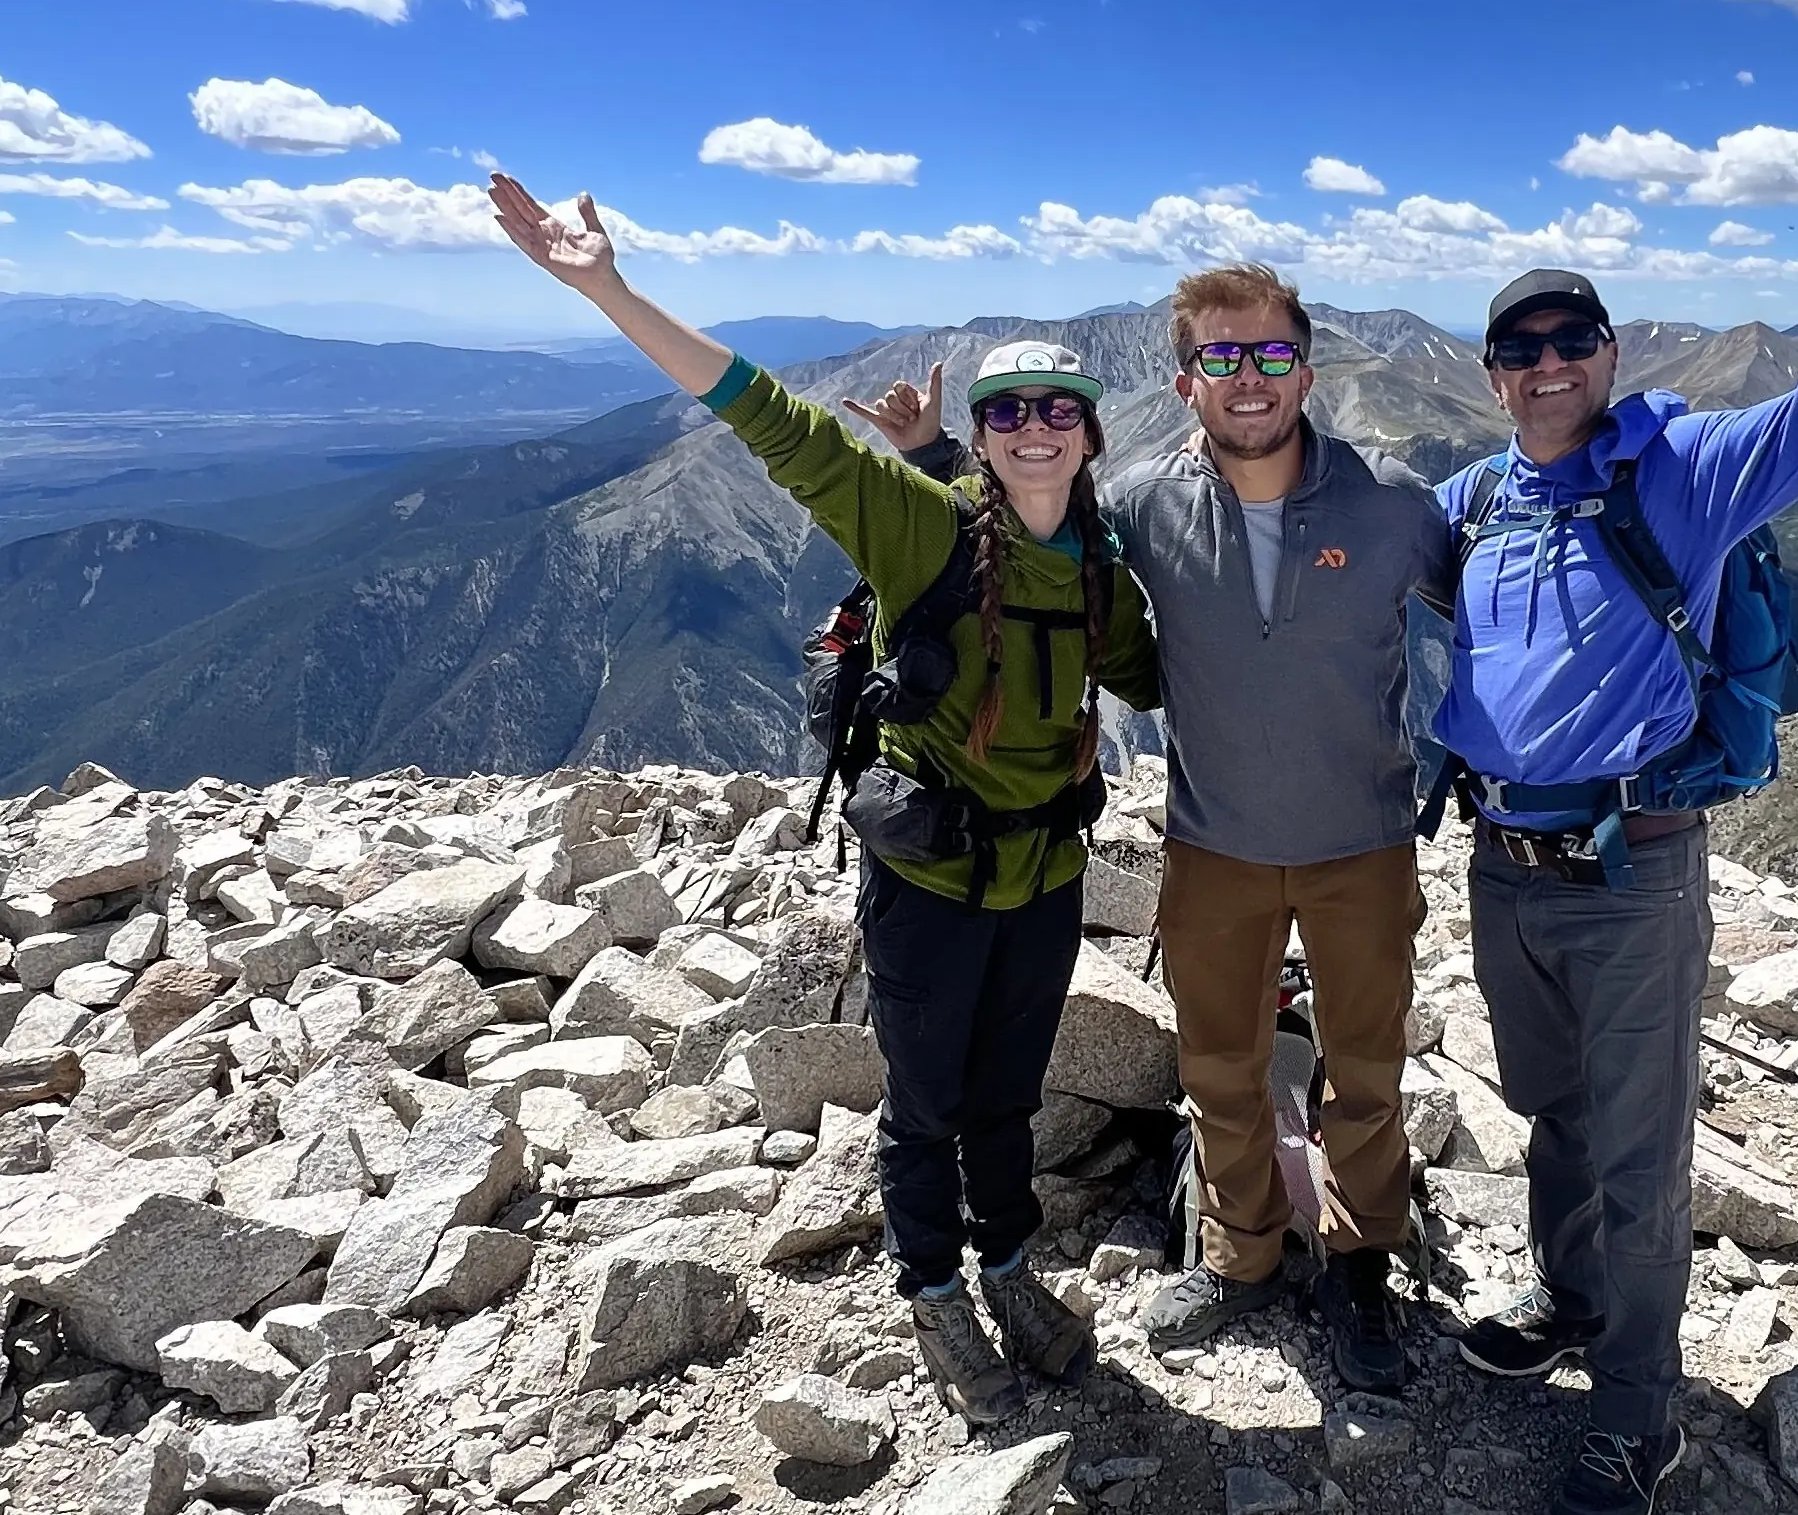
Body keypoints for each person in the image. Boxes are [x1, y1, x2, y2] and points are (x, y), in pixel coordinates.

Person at [1432, 23, 1798, 1515]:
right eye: (1521, 346)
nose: (1549, 363)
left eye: (1574, 341)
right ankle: (1566, 1306)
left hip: (1634, 867)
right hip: (1502, 865)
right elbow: (1338, 551)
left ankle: (1637, 1420)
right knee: (1549, 1111)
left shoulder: (1680, 472)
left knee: (1636, 1153)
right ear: (1492, 373)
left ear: (1609, 358)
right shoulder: (1477, 498)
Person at [489, 173, 1161, 1427]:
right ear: (991, 426)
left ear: (1089, 431)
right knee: (924, 1104)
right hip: (928, 881)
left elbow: (1169, 674)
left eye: (1055, 410)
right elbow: (777, 421)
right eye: (1008, 408)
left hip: (1045, 877)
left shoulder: (1105, 569)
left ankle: (1007, 1266)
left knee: (1008, 1090)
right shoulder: (920, 525)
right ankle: (932, 1288)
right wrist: (609, 289)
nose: (1032, 428)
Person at [1115, 266, 1454, 1392]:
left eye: (1268, 356)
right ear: (1185, 383)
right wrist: (925, 463)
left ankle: (1361, 1267)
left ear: (1307, 370)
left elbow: (1493, 613)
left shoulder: (1394, 501)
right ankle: (1242, 1256)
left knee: (1364, 1066)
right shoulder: (1144, 506)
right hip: (1213, 841)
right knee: (1219, 1064)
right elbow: (1024, 539)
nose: (1248, 378)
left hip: (1362, 835)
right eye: (1222, 357)